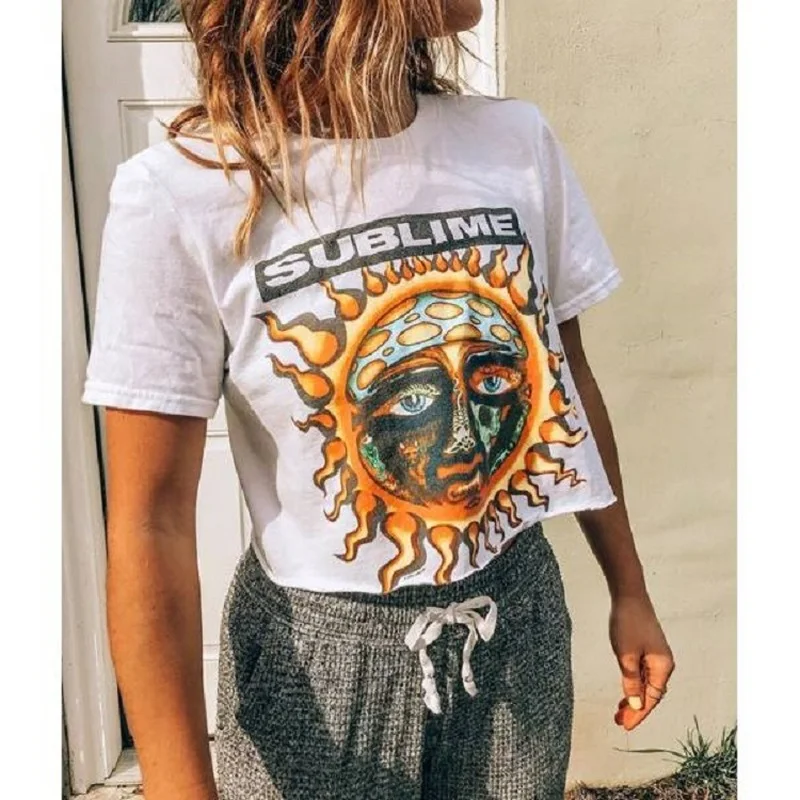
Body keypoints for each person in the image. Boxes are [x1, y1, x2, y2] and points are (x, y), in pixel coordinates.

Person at [82, 1, 675, 798]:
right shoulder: (183, 192)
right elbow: (149, 521)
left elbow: (569, 382)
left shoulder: (514, 143)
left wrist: (629, 587)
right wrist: (177, 786)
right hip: (318, 667)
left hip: (516, 626)